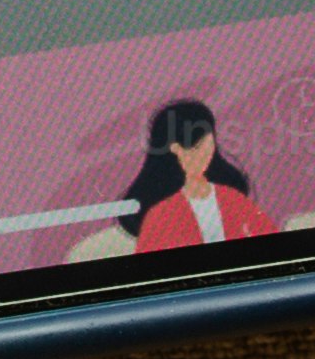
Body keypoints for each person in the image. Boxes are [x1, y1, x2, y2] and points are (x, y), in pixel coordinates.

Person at [113, 98, 278, 252]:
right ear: (174, 151)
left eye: (207, 147)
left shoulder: (231, 198)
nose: (203, 156)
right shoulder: (160, 215)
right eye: (194, 149)